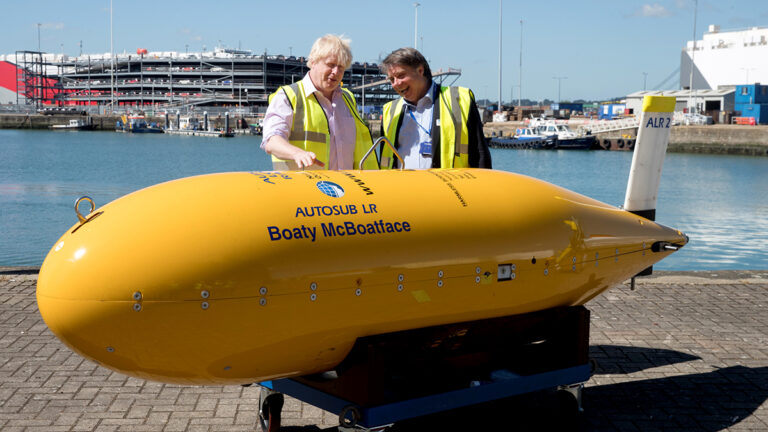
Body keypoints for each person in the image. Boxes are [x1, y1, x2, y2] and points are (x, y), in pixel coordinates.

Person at [261, 34, 377, 170]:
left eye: (341, 67)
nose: (336, 72)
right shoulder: (288, 96)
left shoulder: (348, 99)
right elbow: (272, 141)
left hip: (347, 187)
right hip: (303, 188)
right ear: (313, 62)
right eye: (331, 65)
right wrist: (296, 153)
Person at [379, 47, 491, 169]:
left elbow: (480, 155)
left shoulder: (459, 100)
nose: (396, 83)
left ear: (420, 70)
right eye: (391, 79)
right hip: (402, 187)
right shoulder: (389, 111)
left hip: (449, 186)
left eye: (400, 75)